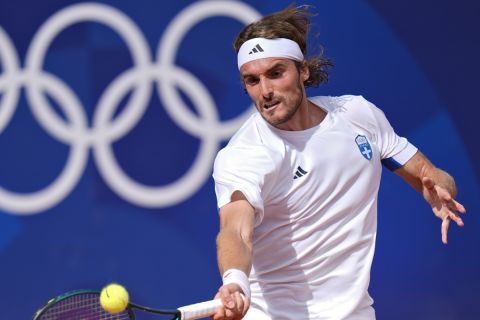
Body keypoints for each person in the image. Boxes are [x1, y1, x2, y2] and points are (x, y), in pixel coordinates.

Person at [211, 5, 466, 320]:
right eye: (252, 80)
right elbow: (236, 230)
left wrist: (439, 190)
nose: (266, 91)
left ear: (303, 70)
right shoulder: (244, 154)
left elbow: (432, 176)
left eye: (276, 73)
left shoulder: (359, 116)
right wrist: (235, 281)